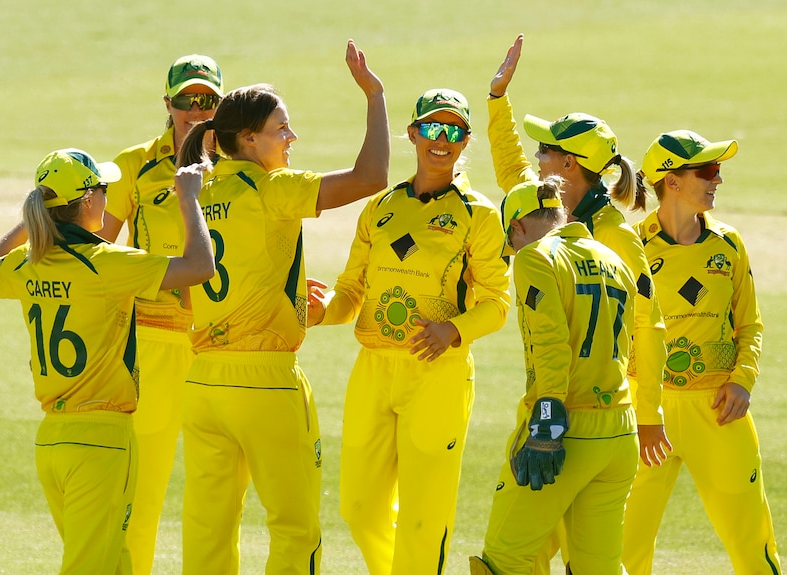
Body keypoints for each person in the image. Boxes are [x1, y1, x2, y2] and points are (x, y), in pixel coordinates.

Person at [174, 40, 390, 575]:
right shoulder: (273, 188)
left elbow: (187, 283)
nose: (292, 138)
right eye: (281, 129)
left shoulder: (201, 190)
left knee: (207, 530)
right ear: (248, 139)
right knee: (295, 528)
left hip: (202, 382)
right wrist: (375, 97)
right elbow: (371, 178)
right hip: (265, 382)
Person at [0, 148, 215, 574]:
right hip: (101, 442)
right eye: (103, 189)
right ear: (87, 201)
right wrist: (188, 200)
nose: (108, 197)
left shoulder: (30, 263)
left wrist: (37, 220)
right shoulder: (106, 262)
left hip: (52, 441)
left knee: (114, 563)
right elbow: (200, 266)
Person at [486, 33, 670, 573]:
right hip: (593, 421)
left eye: (545, 150)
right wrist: (498, 102)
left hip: (578, 413)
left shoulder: (613, 234)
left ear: (567, 166)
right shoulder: (550, 208)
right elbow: (510, 171)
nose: (536, 156)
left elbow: (649, 325)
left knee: (514, 552)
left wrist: (650, 411)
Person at [309, 88, 511, 575]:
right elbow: (351, 292)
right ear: (413, 132)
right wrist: (321, 313)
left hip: (437, 373)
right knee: (357, 509)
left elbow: (498, 303)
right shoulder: (379, 207)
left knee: (425, 518)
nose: (442, 140)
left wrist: (454, 330)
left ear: (465, 142)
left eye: (454, 132)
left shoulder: (478, 214)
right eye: (433, 128)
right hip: (373, 368)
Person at [622, 130, 782, 574]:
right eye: (707, 171)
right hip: (645, 413)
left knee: (752, 543)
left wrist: (742, 380)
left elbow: (750, 324)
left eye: (718, 171)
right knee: (622, 550)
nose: (718, 180)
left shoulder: (728, 243)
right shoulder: (629, 246)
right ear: (670, 181)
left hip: (719, 411)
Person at [470, 176, 640, 575]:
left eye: (511, 244)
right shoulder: (614, 259)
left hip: (566, 426)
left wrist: (547, 418)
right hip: (619, 432)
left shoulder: (535, 258)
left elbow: (550, 341)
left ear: (516, 227)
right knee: (598, 568)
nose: (514, 253)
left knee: (504, 560)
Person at [95, 54, 224, 575]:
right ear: (167, 103)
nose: (196, 110)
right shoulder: (134, 166)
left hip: (221, 344)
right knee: (142, 494)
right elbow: (95, 249)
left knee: (215, 496)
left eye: (208, 100)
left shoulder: (243, 166)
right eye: (187, 100)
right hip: (151, 343)